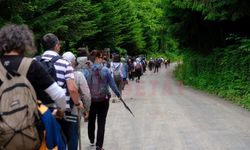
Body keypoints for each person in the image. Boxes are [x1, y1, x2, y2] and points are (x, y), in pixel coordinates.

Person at [0, 24, 67, 149]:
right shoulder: (31, 65)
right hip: (31, 133)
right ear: (24, 42)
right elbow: (59, 95)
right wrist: (60, 111)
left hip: (3, 136)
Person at [41, 33, 84, 150]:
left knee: (47, 142)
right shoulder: (65, 63)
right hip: (62, 111)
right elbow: (72, 88)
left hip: (42, 111)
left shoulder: (35, 62)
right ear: (56, 46)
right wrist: (77, 103)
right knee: (68, 139)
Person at [85, 50, 121, 150]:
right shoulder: (106, 70)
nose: (102, 59)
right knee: (101, 122)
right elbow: (112, 84)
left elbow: (84, 86)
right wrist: (118, 94)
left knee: (91, 120)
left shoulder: (87, 70)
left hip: (91, 100)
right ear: (97, 58)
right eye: (101, 57)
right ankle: (99, 146)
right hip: (103, 99)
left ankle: (91, 139)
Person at [62, 51, 91, 120]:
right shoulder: (78, 75)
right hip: (73, 109)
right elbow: (86, 94)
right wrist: (87, 109)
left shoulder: (56, 73)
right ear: (73, 62)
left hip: (58, 109)